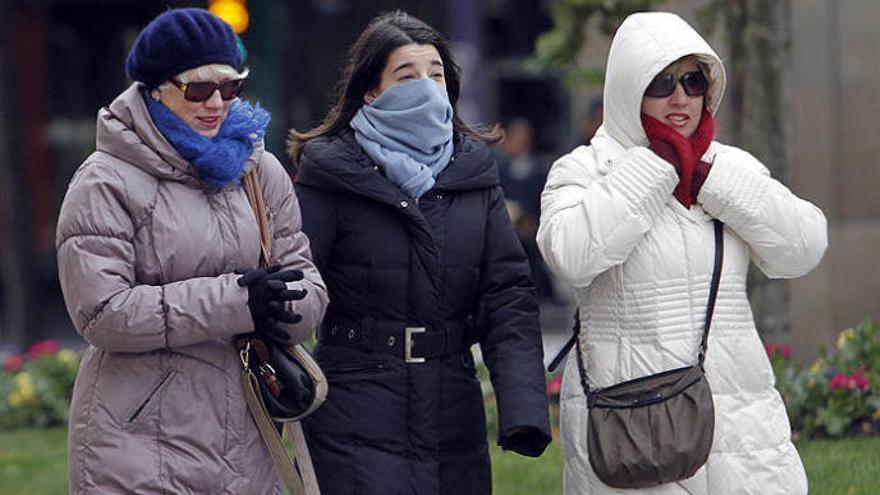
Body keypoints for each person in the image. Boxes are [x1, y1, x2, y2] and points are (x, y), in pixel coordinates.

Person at [537, 12, 827, 494]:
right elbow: (571, 255)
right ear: (629, 89)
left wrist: (717, 182)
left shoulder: (727, 166)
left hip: (738, 416)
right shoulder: (586, 169)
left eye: (693, 81)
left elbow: (803, 248)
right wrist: (657, 168)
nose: (680, 97)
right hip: (635, 421)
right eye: (662, 82)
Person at [55, 9, 328, 494]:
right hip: (136, 437)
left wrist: (281, 304)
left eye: (231, 88)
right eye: (199, 89)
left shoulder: (260, 170)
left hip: (248, 433)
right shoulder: (104, 180)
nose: (217, 103)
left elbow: (306, 286)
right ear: (156, 89)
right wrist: (237, 303)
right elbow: (100, 312)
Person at [288, 11, 551, 495]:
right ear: (371, 91)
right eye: (407, 76)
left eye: (435, 74)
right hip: (355, 412)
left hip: (453, 413)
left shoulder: (474, 170)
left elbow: (507, 294)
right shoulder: (330, 171)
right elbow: (297, 284)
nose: (425, 87)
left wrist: (524, 408)